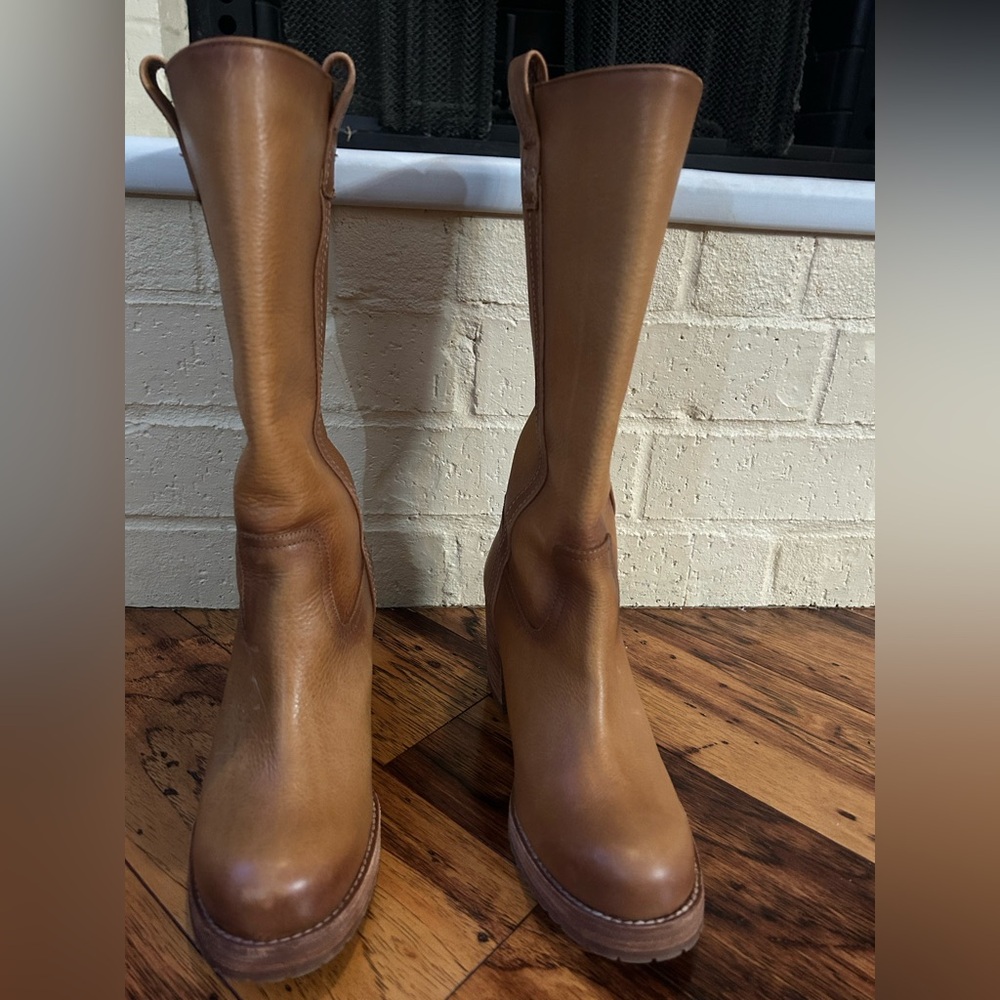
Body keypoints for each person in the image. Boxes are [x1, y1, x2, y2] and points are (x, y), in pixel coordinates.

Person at [141, 35, 703, 981]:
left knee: (580, 476)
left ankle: (554, 603)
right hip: (300, 597)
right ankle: (307, 596)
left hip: (563, 577)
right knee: (280, 453)